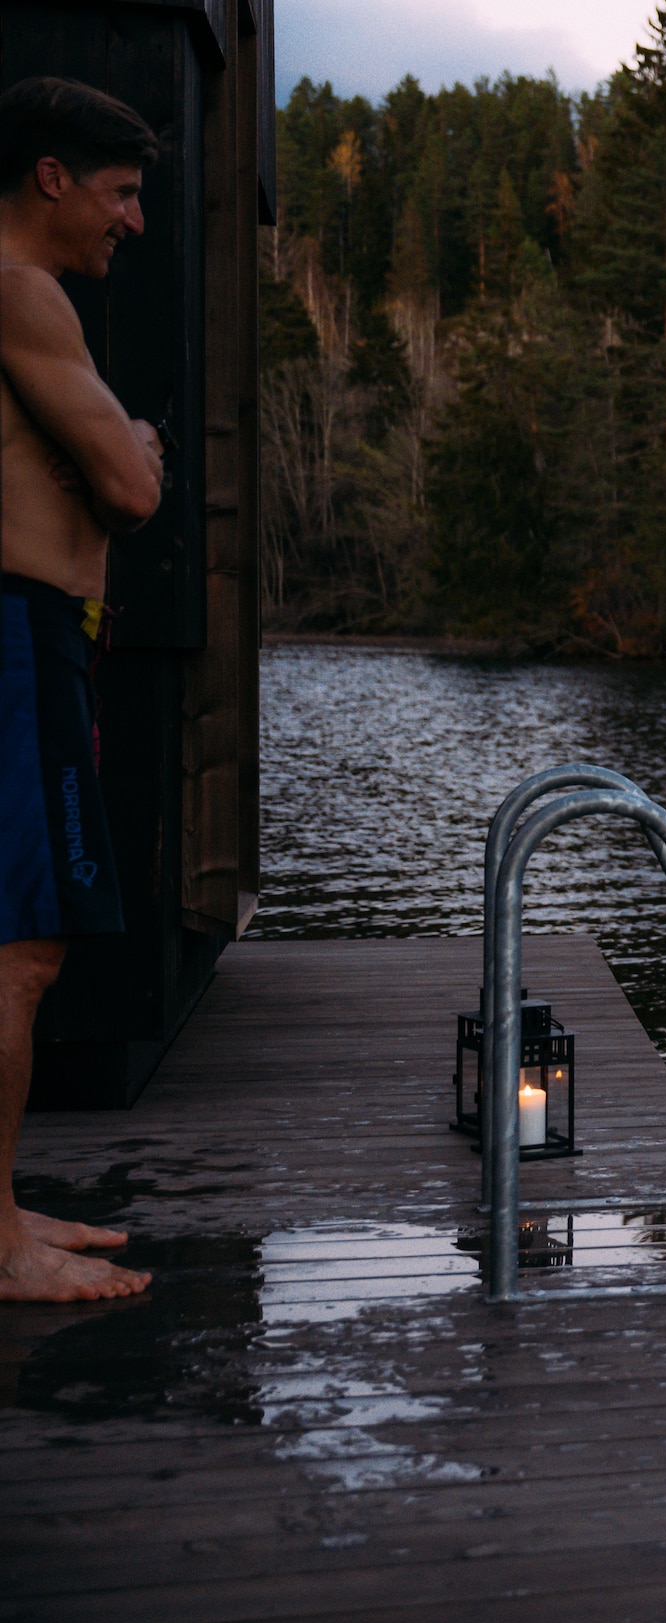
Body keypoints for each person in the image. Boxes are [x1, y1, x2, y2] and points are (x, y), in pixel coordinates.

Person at [0, 77, 164, 1302]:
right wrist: (132, 445)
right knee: (18, 954)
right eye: (119, 192)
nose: (134, 220)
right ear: (49, 176)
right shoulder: (18, 290)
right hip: (18, 635)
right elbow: (133, 486)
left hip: (38, 633)